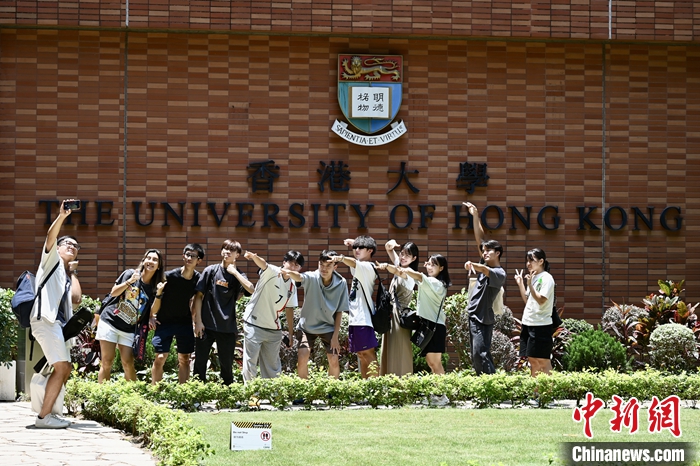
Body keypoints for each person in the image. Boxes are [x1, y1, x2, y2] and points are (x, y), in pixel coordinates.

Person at [30, 200, 82, 428]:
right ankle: (43, 418)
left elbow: (77, 299)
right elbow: (51, 237)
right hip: (45, 320)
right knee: (62, 367)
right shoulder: (50, 260)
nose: (72, 246)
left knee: (64, 367)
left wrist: (74, 272)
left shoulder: (64, 273)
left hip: (57, 326)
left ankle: (49, 412)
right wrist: (62, 217)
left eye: (75, 246)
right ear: (58, 249)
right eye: (67, 244)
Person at [96, 249, 165, 383]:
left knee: (128, 363)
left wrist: (159, 293)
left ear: (159, 265)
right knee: (107, 361)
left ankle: (132, 398)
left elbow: (152, 311)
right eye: (148, 258)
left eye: (155, 260)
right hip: (110, 321)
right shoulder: (129, 274)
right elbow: (114, 293)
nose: (150, 261)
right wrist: (130, 281)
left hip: (129, 329)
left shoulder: (155, 287)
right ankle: (103, 398)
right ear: (144, 260)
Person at [193, 240, 253, 385]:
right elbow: (198, 296)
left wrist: (235, 273)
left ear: (237, 255)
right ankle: (197, 395)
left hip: (227, 327)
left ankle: (227, 396)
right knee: (200, 364)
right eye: (225, 249)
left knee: (226, 366)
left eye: (231, 250)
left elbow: (251, 289)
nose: (227, 252)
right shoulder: (210, 271)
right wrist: (198, 322)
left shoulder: (238, 275)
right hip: (206, 326)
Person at [282, 250, 348, 379]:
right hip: (307, 327)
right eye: (321, 265)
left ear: (335, 267)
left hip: (328, 327)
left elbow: (340, 311)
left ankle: (332, 393)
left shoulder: (341, 283)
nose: (324, 269)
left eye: (328, 266)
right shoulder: (312, 276)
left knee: (334, 359)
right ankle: (303, 393)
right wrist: (290, 273)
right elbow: (300, 277)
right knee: (302, 357)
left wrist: (335, 336)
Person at [240, 250, 303, 382]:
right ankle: (251, 394)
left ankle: (272, 394)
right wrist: (253, 256)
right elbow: (263, 264)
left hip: (274, 328)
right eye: (291, 263)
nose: (293, 267)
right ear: (284, 262)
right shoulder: (273, 271)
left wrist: (291, 334)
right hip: (253, 323)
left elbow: (289, 309)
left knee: (272, 365)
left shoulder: (292, 285)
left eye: (297, 265)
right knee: (250, 361)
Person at [148, 243, 205, 384]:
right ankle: (155, 392)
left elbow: (197, 298)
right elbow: (155, 297)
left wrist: (196, 320)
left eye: (193, 256)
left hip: (183, 322)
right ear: (183, 256)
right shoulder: (169, 277)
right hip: (164, 321)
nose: (189, 258)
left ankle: (183, 394)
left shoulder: (198, 279)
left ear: (199, 260)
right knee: (160, 357)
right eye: (187, 254)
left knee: (185, 358)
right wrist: (151, 316)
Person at [463, 201, 507, 375]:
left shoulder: (499, 272)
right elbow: (480, 239)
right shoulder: (484, 262)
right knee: (476, 355)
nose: (485, 252)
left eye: (489, 250)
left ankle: (492, 386)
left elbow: (484, 270)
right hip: (474, 315)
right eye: (484, 251)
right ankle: (485, 386)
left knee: (480, 353)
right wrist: (475, 216)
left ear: (498, 253)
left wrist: (472, 263)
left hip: (483, 318)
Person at [390, 254, 451, 376]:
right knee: (431, 362)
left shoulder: (437, 283)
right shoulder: (430, 282)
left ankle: (442, 393)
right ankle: (437, 393)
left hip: (434, 327)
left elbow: (419, 276)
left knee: (435, 363)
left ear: (441, 268)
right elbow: (418, 278)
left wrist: (406, 269)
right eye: (428, 264)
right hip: (429, 325)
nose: (429, 267)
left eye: (434, 265)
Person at [334, 235, 379, 378]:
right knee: (361, 354)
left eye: (361, 248)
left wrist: (340, 258)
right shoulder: (360, 267)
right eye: (355, 248)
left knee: (368, 353)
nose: (357, 250)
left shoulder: (368, 267)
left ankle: (376, 388)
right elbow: (356, 260)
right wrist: (355, 244)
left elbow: (353, 262)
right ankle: (367, 389)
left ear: (370, 251)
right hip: (356, 319)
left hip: (363, 318)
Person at [375, 239, 419, 376]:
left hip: (400, 316)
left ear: (414, 258)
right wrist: (390, 246)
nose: (403, 257)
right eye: (402, 254)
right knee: (389, 348)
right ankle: (389, 383)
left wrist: (386, 265)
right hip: (391, 315)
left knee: (400, 349)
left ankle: (402, 384)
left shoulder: (410, 273)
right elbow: (389, 250)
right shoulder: (400, 266)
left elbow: (398, 272)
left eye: (407, 255)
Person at [514, 248, 555, 377]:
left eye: (532, 260)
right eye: (527, 261)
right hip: (528, 323)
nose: (528, 264)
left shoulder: (546, 278)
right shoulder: (534, 277)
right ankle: (536, 393)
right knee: (532, 360)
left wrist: (530, 284)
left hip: (541, 325)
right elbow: (528, 301)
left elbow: (541, 300)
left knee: (543, 360)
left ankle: (548, 393)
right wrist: (521, 284)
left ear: (541, 261)